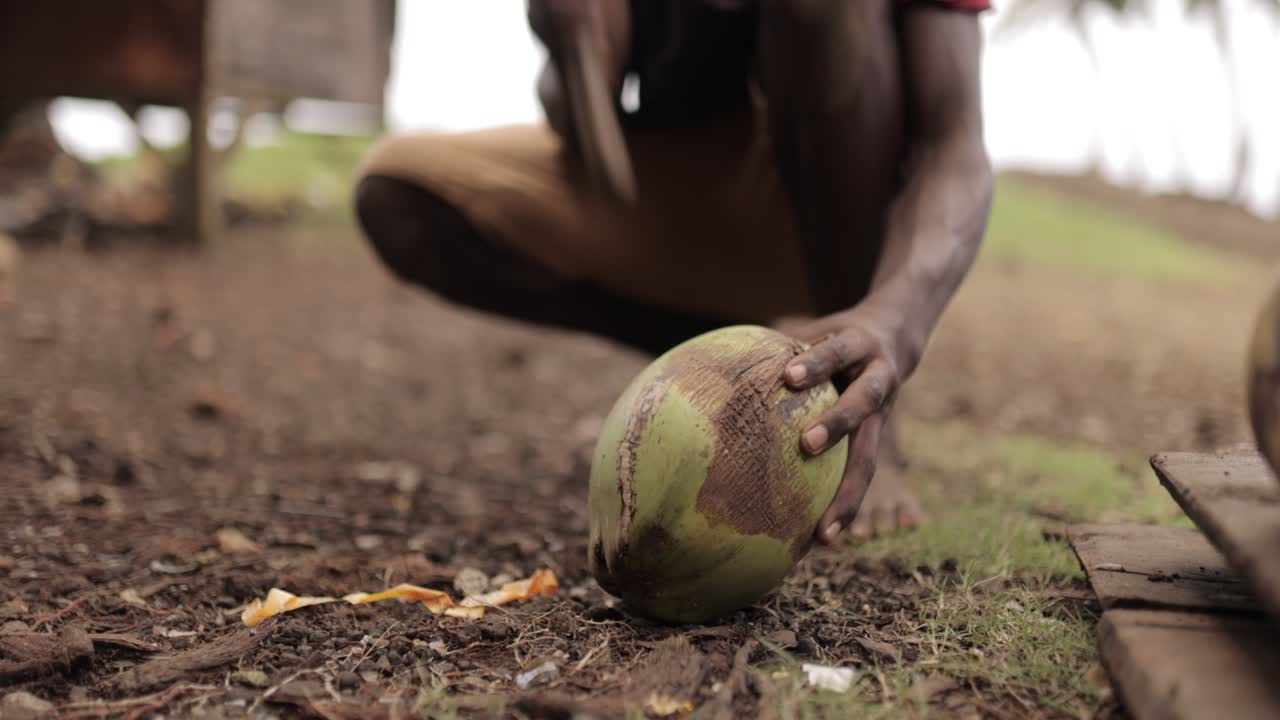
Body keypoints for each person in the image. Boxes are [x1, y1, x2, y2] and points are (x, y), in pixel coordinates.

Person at [353, 0, 994, 543]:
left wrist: (895, 321)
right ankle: (729, 366)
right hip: (687, 184)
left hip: (842, 206)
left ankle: (859, 395)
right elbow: (578, 128)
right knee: (402, 194)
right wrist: (576, 52)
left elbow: (956, 149)